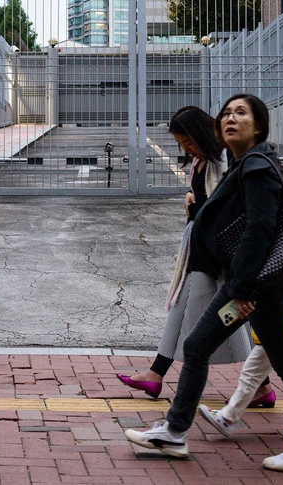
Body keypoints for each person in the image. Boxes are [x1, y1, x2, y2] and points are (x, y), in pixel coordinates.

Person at [123, 93, 283, 473]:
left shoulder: (256, 167)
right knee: (233, 352)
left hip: (256, 288)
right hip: (255, 285)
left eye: (242, 113)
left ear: (259, 126)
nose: (231, 118)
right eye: (227, 114)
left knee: (224, 351)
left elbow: (259, 231)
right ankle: (176, 429)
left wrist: (243, 290)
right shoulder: (243, 164)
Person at [116, 106, 260, 399]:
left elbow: (222, 211)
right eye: (183, 146)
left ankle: (258, 388)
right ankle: (156, 374)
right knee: (184, 309)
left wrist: (194, 207)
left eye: (190, 143)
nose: (188, 150)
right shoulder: (204, 162)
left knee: (220, 322)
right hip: (202, 253)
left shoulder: (223, 161)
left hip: (219, 258)